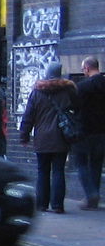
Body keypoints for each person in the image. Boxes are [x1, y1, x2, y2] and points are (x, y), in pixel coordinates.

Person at [19, 61, 77, 213]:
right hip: (61, 137)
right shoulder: (68, 91)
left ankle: (42, 204)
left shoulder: (37, 92)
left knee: (42, 171)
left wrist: (24, 135)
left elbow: (28, 116)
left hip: (42, 138)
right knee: (58, 170)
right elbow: (77, 110)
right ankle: (57, 205)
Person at [74, 56, 105, 210]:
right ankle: (94, 196)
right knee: (96, 164)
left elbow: (75, 107)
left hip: (84, 130)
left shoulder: (82, 86)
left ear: (86, 68)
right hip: (102, 131)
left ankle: (90, 193)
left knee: (81, 163)